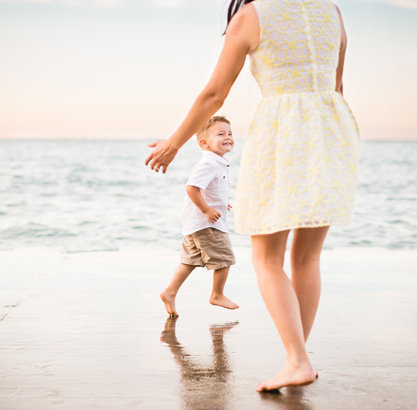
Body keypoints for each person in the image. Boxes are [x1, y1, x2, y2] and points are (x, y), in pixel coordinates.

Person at [146, 0, 360, 392]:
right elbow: (337, 87)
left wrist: (176, 143)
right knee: (308, 257)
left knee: (266, 258)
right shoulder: (331, 10)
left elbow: (215, 94)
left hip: (282, 133)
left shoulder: (252, 15)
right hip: (331, 130)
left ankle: (297, 360)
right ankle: (297, 359)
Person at [159, 116, 240, 317]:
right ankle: (217, 294)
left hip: (195, 224)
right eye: (220, 134)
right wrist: (207, 210)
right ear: (204, 143)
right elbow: (192, 188)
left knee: (190, 261)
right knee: (225, 259)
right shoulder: (209, 163)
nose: (228, 137)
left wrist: (220, 201)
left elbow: (209, 188)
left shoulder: (217, 162)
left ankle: (170, 292)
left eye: (229, 133)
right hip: (207, 224)